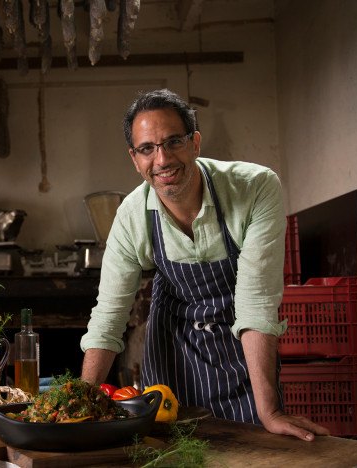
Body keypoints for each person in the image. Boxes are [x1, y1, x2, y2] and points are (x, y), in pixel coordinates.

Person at [80, 89, 330, 441]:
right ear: (134, 159)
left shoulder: (255, 188)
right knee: (170, 455)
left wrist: (270, 411)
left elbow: (256, 301)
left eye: (173, 142)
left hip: (243, 355)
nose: (162, 159)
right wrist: (80, 404)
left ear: (195, 142)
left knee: (254, 451)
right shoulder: (131, 217)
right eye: (147, 149)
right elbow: (109, 316)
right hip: (172, 352)